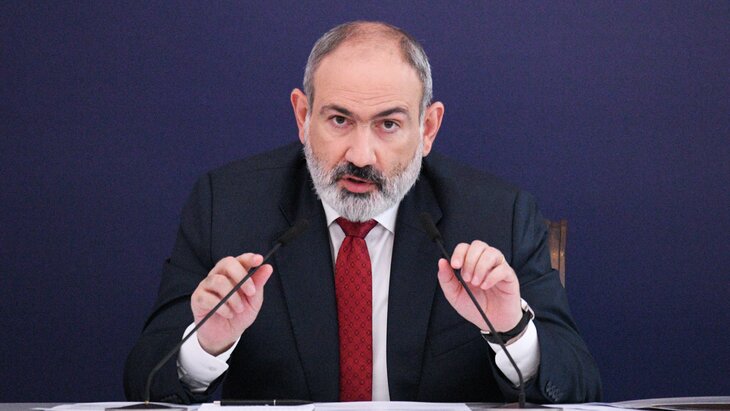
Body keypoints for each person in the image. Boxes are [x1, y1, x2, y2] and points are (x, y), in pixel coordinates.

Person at [124, 21, 601, 404]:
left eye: (388, 124)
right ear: (302, 116)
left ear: (427, 128)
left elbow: (578, 385)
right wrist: (206, 343)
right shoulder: (227, 205)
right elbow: (146, 380)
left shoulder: (497, 214)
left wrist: (510, 331)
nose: (361, 155)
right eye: (339, 120)